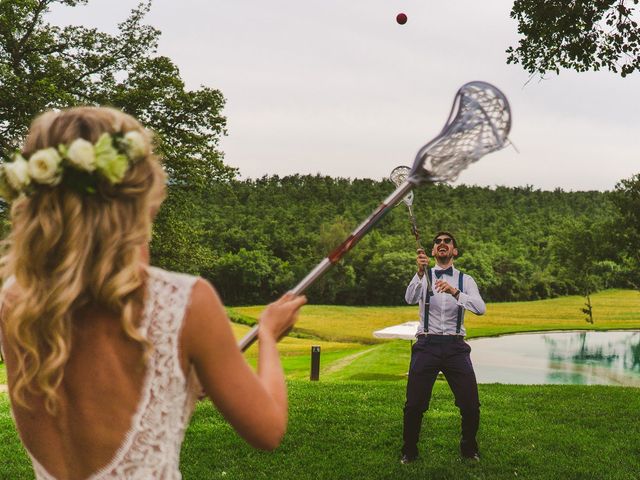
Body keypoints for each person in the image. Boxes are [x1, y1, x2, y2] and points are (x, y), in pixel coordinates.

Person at [0, 106, 306, 479]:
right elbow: (268, 430)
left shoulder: (16, 301)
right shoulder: (186, 301)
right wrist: (269, 334)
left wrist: (184, 384)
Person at [400, 231, 486, 464]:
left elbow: (480, 308)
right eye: (437, 242)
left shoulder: (466, 280)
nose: (442, 244)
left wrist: (455, 292)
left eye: (447, 241)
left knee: (470, 404)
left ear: (454, 251)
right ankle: (409, 451)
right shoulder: (423, 275)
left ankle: (469, 448)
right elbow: (409, 298)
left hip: (456, 347)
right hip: (426, 344)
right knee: (414, 404)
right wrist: (419, 273)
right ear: (432, 251)